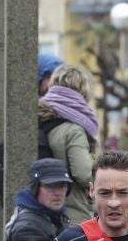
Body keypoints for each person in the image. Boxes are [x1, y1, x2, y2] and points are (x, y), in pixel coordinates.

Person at [39, 64, 98, 226]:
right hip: (72, 214)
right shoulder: (73, 130)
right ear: (84, 92)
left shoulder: (41, 118)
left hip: (43, 210)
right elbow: (84, 174)